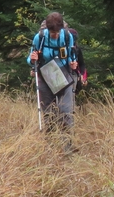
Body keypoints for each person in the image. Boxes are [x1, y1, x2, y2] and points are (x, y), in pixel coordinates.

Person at [28, 12, 79, 152]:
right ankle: (51, 146)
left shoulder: (67, 36)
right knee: (48, 112)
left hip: (64, 75)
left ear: (62, 29)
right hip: (45, 76)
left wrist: (73, 63)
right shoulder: (39, 38)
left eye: (57, 32)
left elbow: (71, 55)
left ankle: (68, 146)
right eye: (52, 33)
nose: (55, 35)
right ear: (47, 29)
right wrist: (32, 59)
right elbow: (31, 59)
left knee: (66, 111)